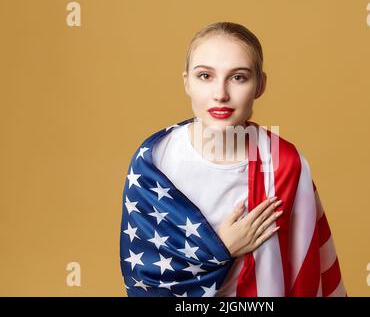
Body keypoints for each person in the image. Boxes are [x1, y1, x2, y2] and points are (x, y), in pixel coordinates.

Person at [120, 22, 346, 297]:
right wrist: (221, 250)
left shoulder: (284, 164)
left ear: (260, 85)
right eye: (205, 76)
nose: (220, 94)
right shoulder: (154, 162)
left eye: (238, 77)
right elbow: (145, 277)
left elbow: (305, 268)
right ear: (186, 82)